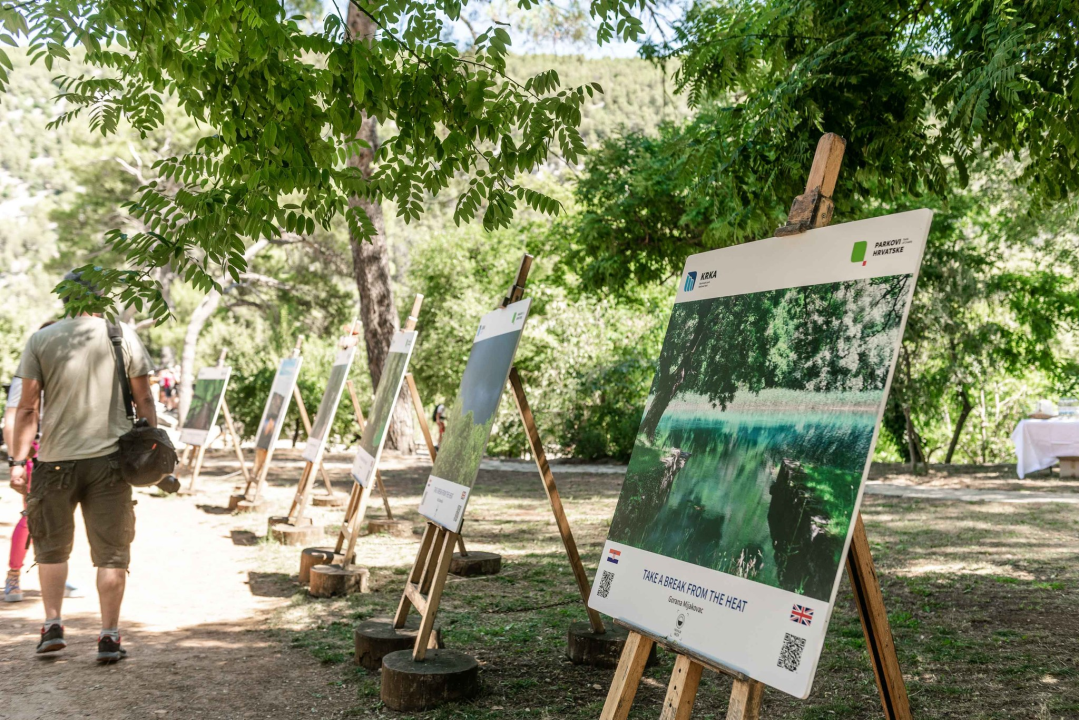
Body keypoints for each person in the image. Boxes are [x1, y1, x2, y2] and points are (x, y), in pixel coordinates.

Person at [8, 273, 157, 663]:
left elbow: (27, 409)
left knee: (51, 547)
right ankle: (109, 636)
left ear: (64, 297)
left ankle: (52, 626)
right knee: (112, 552)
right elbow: (144, 399)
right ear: (102, 297)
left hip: (54, 461)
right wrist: (153, 447)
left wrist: (19, 461)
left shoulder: (42, 339)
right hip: (111, 463)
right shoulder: (122, 335)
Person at [3, 376, 83, 602]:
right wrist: (16, 461)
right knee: (31, 515)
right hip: (35, 451)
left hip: (67, 450)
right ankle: (13, 574)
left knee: (62, 515)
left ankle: (56, 573)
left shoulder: (67, 367)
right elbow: (11, 419)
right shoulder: (26, 373)